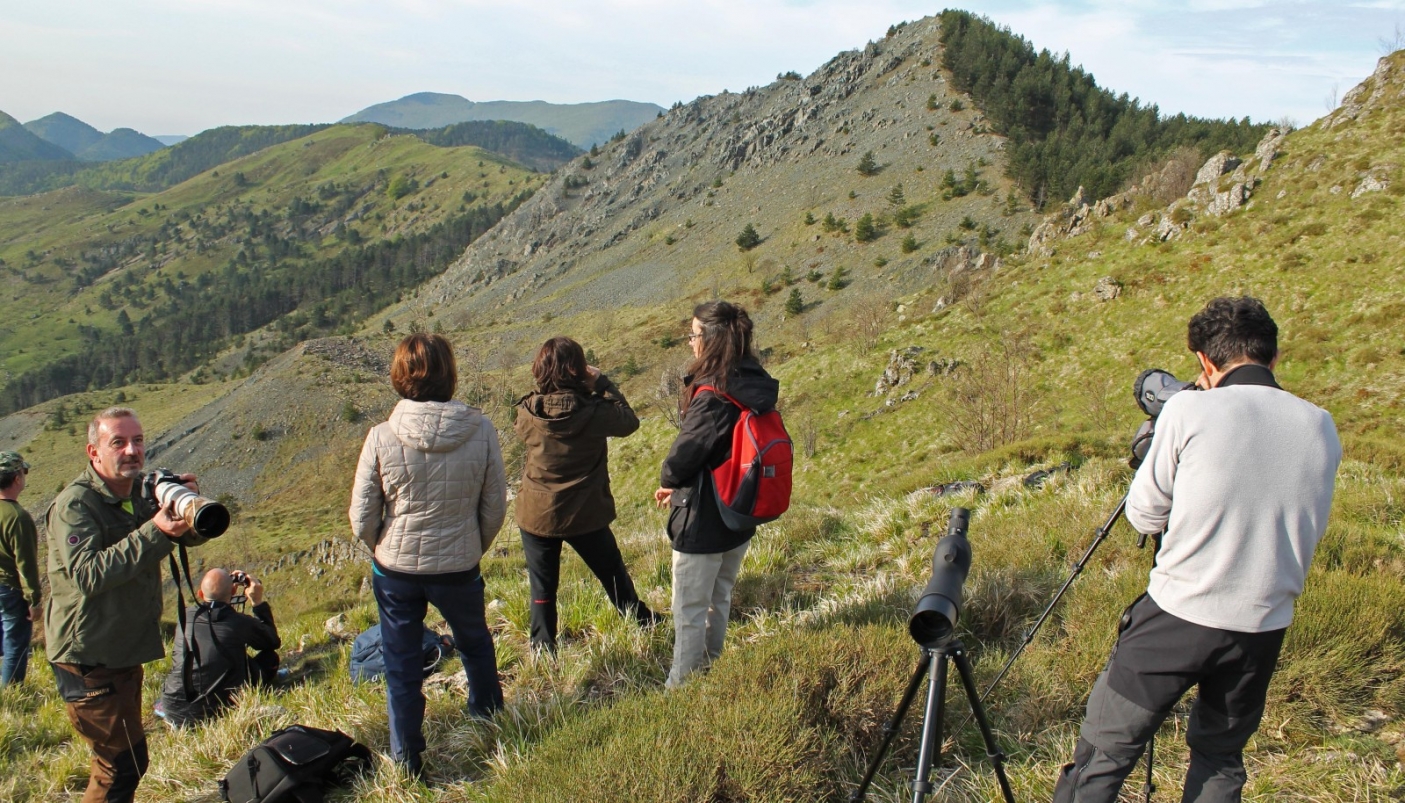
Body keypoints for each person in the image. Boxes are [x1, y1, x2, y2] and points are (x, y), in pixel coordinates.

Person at [1054, 297, 1341, 803]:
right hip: (1263, 624)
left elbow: (1143, 515)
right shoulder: (1321, 424)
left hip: (1178, 615)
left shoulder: (1188, 409)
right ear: (1272, 359)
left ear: (1205, 364)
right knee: (1220, 757)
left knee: (1105, 755)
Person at [349, 333, 506, 778]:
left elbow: (361, 516)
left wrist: (383, 546)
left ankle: (407, 757)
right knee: (475, 642)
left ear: (400, 376)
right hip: (459, 564)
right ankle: (487, 718)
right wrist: (472, 544)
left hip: (395, 569)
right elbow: (494, 505)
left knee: (400, 665)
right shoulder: (481, 428)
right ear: (449, 374)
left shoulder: (380, 436)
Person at [46, 407, 205, 803]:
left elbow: (174, 539)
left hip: (119, 649)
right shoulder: (75, 506)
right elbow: (88, 574)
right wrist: (155, 531)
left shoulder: (137, 495)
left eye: (137, 441)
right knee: (120, 766)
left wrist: (187, 511)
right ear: (93, 451)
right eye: (117, 442)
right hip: (88, 658)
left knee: (123, 761)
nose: (131, 450)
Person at [653, 301, 778, 687]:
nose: (690, 342)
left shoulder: (713, 394)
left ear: (709, 339)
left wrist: (668, 480)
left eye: (693, 334)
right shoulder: (753, 381)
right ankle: (714, 667)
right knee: (719, 595)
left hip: (704, 513)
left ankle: (683, 685)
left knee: (689, 607)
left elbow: (686, 453)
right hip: (738, 509)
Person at [515, 336, 658, 654]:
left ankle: (542, 648)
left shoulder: (527, 413)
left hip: (536, 512)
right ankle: (639, 619)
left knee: (542, 586)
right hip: (584, 512)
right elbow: (629, 422)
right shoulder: (594, 412)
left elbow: (523, 430)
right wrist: (602, 382)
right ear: (579, 370)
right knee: (611, 571)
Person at [157, 568, 281, 727]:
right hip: (217, 710)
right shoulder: (239, 622)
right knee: (270, 659)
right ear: (234, 590)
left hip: (175, 708)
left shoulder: (185, 616)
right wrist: (257, 602)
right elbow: (272, 642)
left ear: (201, 594)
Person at [1, 450, 41, 686]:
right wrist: (34, 600)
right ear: (17, 478)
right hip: (9, 588)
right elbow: (25, 564)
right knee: (15, 643)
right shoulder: (18, 517)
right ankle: (11, 692)